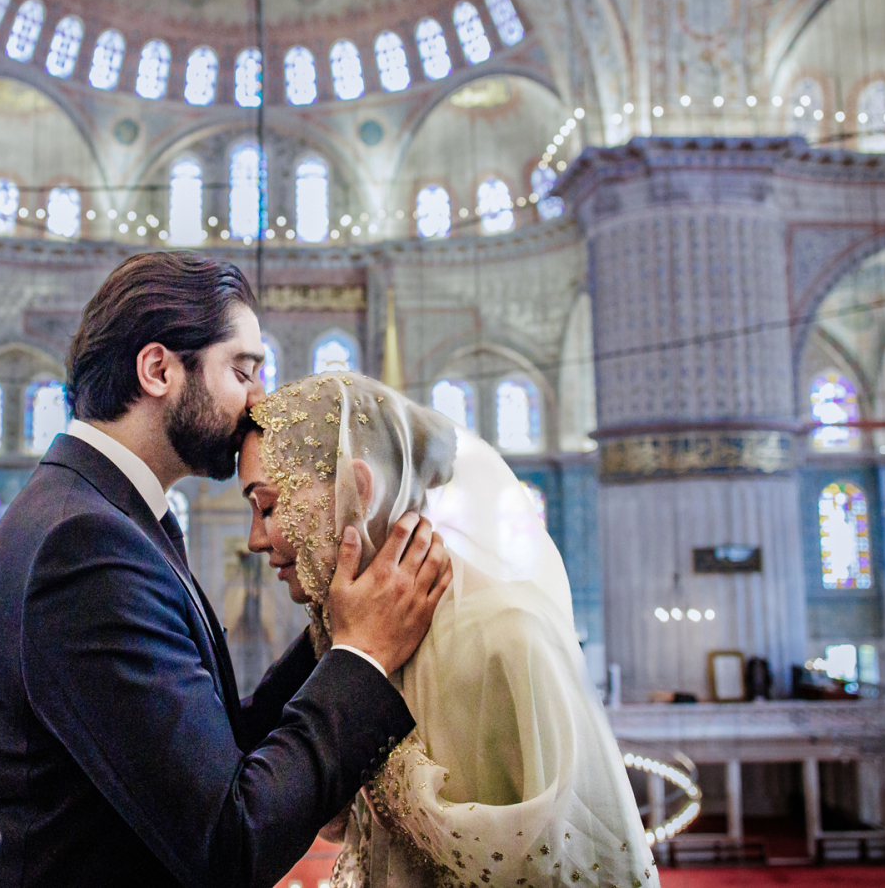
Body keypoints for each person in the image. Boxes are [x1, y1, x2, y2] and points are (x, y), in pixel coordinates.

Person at [0, 252, 453, 888]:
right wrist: (361, 658)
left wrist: (339, 623)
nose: (259, 401)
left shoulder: (104, 514)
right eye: (243, 370)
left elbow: (209, 752)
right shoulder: (84, 545)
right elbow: (229, 841)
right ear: (158, 369)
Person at [242, 372, 654, 887]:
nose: (256, 539)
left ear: (359, 489)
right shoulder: (343, 639)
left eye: (269, 506)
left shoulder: (507, 634)